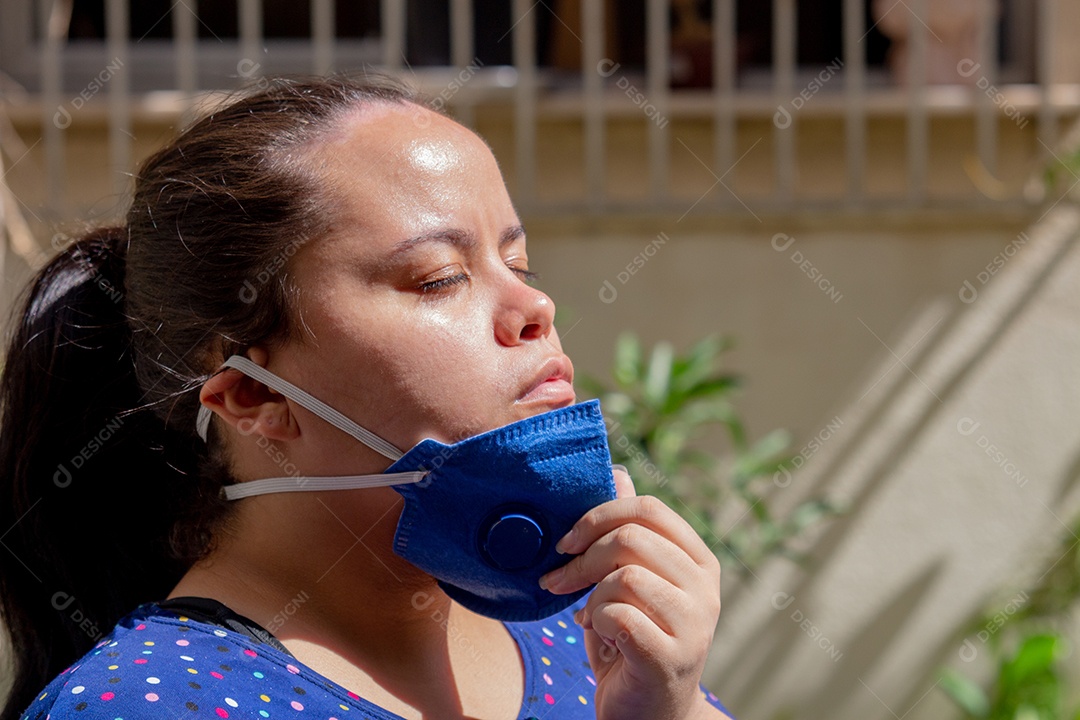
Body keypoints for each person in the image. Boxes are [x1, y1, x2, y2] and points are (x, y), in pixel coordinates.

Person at [0, 75, 733, 720]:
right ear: (254, 394)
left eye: (518, 264)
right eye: (439, 278)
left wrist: (672, 708)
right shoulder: (143, 703)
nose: (534, 307)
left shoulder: (589, 631)